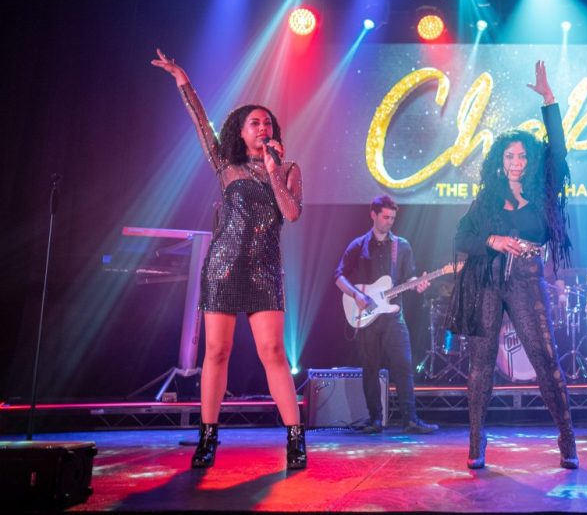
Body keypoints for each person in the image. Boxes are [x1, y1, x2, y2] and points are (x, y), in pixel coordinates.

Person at [151, 48, 306, 470]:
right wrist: (182, 78)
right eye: (255, 122)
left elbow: (291, 213)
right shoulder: (225, 165)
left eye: (267, 123)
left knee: (273, 351)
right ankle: (208, 437)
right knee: (216, 352)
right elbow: (201, 123)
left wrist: (273, 170)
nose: (263, 127)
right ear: (240, 131)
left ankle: (295, 438)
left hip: (265, 270)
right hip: (223, 268)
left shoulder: (288, 168)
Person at [447, 60, 578, 470]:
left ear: (531, 160)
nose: (517, 161)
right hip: (487, 281)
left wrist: (549, 100)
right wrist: (491, 240)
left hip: (525, 279)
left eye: (522, 155)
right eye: (510, 156)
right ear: (500, 161)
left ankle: (567, 439)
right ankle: (476, 443)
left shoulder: (542, 193)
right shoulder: (487, 199)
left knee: (545, 360)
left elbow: (559, 151)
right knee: (481, 366)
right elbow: (460, 238)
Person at [335, 195, 438, 434]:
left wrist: (418, 284)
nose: (389, 221)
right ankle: (375, 420)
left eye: (393, 218)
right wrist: (356, 295)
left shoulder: (401, 246)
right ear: (373, 215)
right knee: (370, 367)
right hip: (367, 317)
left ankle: (410, 420)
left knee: (403, 365)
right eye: (385, 217)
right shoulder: (358, 245)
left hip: (393, 315)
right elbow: (339, 276)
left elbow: (409, 277)